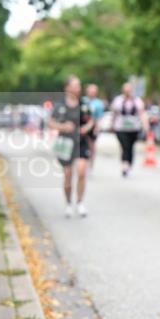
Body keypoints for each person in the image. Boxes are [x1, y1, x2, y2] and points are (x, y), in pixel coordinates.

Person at [48, 75, 95, 218]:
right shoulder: (60, 105)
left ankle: (80, 202)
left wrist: (86, 128)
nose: (78, 88)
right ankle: (68, 203)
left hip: (81, 142)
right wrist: (63, 126)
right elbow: (50, 122)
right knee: (68, 174)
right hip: (65, 143)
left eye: (79, 85)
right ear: (67, 88)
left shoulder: (84, 105)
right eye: (75, 85)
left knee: (81, 172)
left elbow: (91, 120)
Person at [110, 83, 150, 177]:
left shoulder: (137, 101)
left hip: (133, 129)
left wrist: (146, 127)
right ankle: (125, 166)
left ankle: (129, 165)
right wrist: (112, 125)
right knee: (125, 146)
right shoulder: (118, 100)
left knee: (131, 147)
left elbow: (142, 114)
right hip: (120, 128)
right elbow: (114, 114)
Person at [84, 84, 105, 170]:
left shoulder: (98, 103)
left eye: (94, 91)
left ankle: (90, 164)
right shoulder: (82, 100)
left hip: (93, 127)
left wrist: (97, 128)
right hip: (82, 126)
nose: (92, 93)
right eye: (90, 91)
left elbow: (100, 117)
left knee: (91, 146)